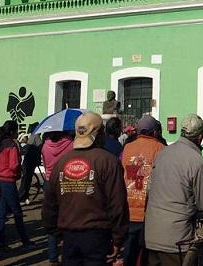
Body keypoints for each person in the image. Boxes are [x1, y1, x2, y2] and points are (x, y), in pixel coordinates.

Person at [42, 111, 130, 265]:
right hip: (97, 237)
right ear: (99, 134)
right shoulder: (108, 162)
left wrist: (57, 233)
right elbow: (117, 204)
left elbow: (49, 205)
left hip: (69, 236)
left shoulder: (61, 163)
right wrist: (118, 239)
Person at [144, 114, 203, 266]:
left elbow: (150, 190)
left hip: (151, 234)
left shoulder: (162, 153)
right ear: (200, 136)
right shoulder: (197, 161)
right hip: (176, 239)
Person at [121, 115, 166, 266]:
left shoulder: (127, 148)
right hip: (150, 210)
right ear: (154, 132)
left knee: (130, 252)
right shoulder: (161, 148)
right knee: (149, 255)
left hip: (129, 208)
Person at [0, 120, 35, 252]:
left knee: (1, 212)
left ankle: (1, 242)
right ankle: (25, 240)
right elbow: (14, 165)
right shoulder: (11, 145)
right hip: (8, 180)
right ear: (12, 132)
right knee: (17, 211)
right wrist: (17, 174)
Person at [41, 130, 74, 266]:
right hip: (66, 181)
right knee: (68, 218)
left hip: (49, 181)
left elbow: (44, 163)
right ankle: (68, 252)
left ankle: (52, 257)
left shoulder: (45, 146)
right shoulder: (71, 144)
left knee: (52, 218)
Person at [18, 132, 42, 205]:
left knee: (26, 180)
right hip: (29, 163)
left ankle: (24, 197)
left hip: (25, 162)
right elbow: (40, 148)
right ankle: (21, 197)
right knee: (26, 180)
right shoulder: (34, 139)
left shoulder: (30, 138)